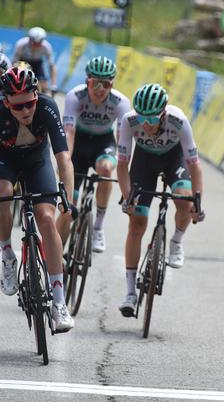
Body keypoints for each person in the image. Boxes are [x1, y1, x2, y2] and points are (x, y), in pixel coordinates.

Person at [116, 83, 204, 317]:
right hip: (144, 162)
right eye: (142, 118)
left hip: (174, 159)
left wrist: (198, 202)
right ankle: (130, 293)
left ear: (163, 114)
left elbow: (195, 166)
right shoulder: (128, 120)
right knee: (136, 222)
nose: (146, 124)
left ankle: (176, 241)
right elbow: (122, 165)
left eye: (153, 119)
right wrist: (128, 199)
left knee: (185, 201)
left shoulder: (179, 121)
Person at [0, 67, 76, 331]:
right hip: (5, 161)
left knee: (46, 218)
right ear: (6, 102)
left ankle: (59, 303)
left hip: (36, 160)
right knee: (3, 192)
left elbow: (63, 158)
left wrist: (68, 197)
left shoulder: (46, 106)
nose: (25, 111)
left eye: (30, 103)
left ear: (36, 95)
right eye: (18, 107)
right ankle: (7, 254)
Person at [56, 56, 130, 253]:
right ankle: (54, 256)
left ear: (111, 84)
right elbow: (69, 133)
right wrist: (65, 164)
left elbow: (122, 139)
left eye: (105, 84)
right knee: (68, 206)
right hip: (78, 144)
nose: (100, 89)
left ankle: (98, 226)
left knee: (106, 168)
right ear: (87, 81)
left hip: (102, 143)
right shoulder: (75, 96)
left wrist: (125, 175)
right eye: (95, 83)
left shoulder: (121, 102)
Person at [12, 27, 57, 95]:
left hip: (37, 63)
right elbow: (14, 62)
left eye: (39, 44)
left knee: (44, 87)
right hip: (23, 61)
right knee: (25, 81)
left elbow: (52, 66)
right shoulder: (21, 44)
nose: (36, 46)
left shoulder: (47, 47)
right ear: (29, 39)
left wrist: (53, 85)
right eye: (34, 43)